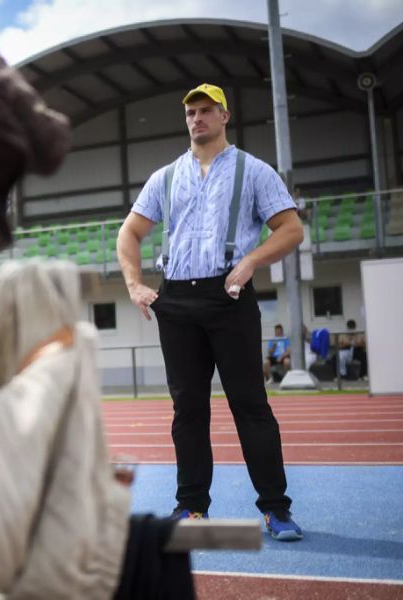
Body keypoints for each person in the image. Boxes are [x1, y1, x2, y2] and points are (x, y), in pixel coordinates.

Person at [117, 83, 304, 541]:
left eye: (205, 110)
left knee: (251, 406)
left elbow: (291, 229)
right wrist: (135, 285)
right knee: (188, 410)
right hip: (176, 299)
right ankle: (191, 506)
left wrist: (252, 260)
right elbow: (129, 234)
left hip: (230, 295)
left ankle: (276, 510)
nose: (196, 118)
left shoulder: (254, 171)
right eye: (190, 112)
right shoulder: (165, 177)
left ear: (225, 116)